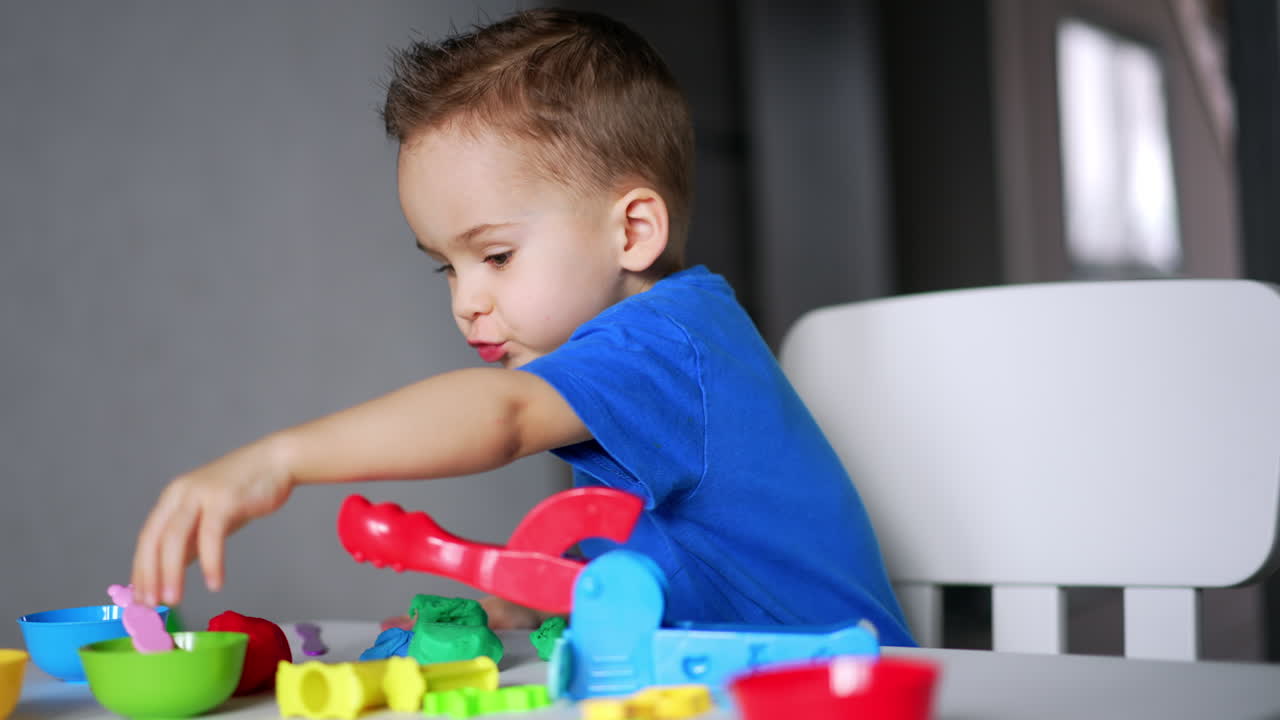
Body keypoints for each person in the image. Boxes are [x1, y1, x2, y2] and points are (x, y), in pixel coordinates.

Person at [129, 7, 914, 647]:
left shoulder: (669, 343)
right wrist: (531, 606)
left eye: (496, 256)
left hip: (842, 685)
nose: (465, 301)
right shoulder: (637, 362)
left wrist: (283, 457)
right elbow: (659, 570)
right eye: (447, 266)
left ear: (633, 231)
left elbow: (500, 417)